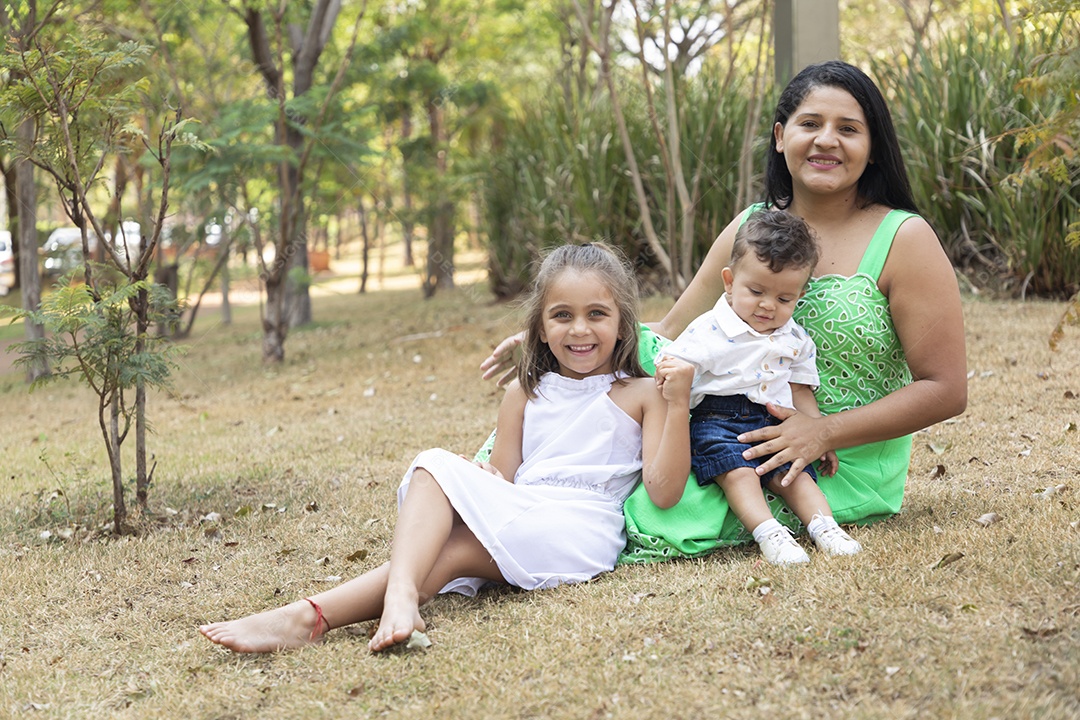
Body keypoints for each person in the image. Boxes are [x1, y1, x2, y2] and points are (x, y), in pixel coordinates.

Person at [481, 60, 967, 563]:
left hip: (839, 458)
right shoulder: (752, 226)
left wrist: (820, 429)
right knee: (589, 473)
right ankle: (494, 494)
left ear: (873, 148)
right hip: (727, 429)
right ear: (781, 136)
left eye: (848, 129)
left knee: (652, 512)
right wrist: (573, 339)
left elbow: (945, 389)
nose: (827, 140)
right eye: (810, 124)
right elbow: (671, 333)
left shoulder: (905, 238)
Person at [199, 243, 694, 653]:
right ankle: (314, 617)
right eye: (562, 315)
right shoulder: (524, 393)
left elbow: (665, 492)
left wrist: (676, 408)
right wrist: (474, 478)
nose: (579, 329)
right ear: (540, 328)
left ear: (623, 323)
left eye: (597, 314)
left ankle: (366, 601)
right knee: (437, 482)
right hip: (523, 506)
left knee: (450, 525)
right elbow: (504, 478)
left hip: (578, 527)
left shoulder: (644, 393)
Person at [660, 208, 860, 566]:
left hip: (776, 420)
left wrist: (819, 433)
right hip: (717, 419)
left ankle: (824, 527)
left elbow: (800, 390)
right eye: (756, 291)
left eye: (784, 299)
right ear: (729, 281)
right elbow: (674, 365)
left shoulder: (795, 336)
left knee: (795, 473)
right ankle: (769, 532)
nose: (768, 306)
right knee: (738, 473)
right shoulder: (710, 330)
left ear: (799, 295)